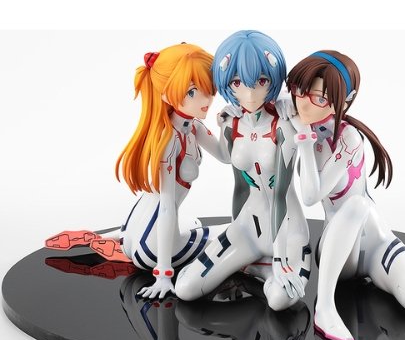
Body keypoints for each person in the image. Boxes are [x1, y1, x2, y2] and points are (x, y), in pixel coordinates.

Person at [287, 50, 405, 340]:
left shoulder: (349, 139)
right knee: (355, 206)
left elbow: (312, 194)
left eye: (318, 97)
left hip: (377, 244)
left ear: (345, 101)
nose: (303, 102)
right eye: (299, 90)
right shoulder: (301, 121)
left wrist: (303, 139)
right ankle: (325, 307)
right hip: (339, 253)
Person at [46, 43, 230, 299]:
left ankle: (101, 239)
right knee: (230, 233)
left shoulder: (191, 127)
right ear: (165, 94)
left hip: (135, 228)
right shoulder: (170, 140)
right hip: (153, 251)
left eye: (209, 88)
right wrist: (163, 275)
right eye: (192, 92)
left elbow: (225, 156)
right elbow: (166, 206)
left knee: (196, 222)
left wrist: (225, 126)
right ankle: (117, 244)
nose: (206, 99)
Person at [175, 30, 311, 311]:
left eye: (261, 81)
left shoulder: (284, 124)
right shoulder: (231, 123)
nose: (249, 94)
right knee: (185, 289)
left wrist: (280, 260)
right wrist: (187, 122)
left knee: (280, 300)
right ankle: (253, 267)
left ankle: (262, 269)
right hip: (248, 227)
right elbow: (237, 181)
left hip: (288, 233)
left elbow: (280, 195)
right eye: (237, 83)